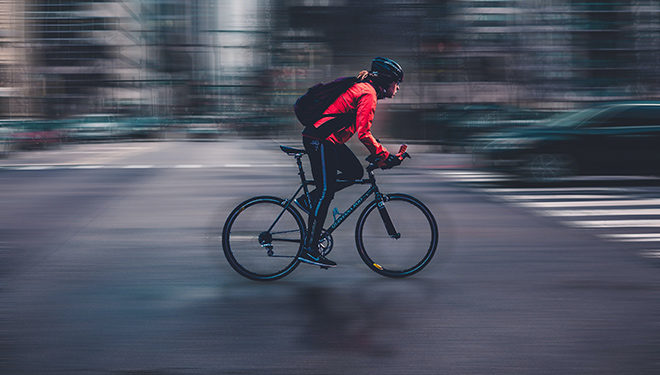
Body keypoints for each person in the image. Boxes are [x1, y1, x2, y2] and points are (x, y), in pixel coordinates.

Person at [296, 57, 404, 268]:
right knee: (326, 192)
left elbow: (361, 131)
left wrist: (380, 154)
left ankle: (310, 201)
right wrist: (383, 155)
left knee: (354, 172)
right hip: (319, 139)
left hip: (327, 139)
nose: (398, 88)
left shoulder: (365, 90)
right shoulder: (368, 93)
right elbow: (364, 133)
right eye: (397, 83)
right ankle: (310, 248)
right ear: (387, 81)